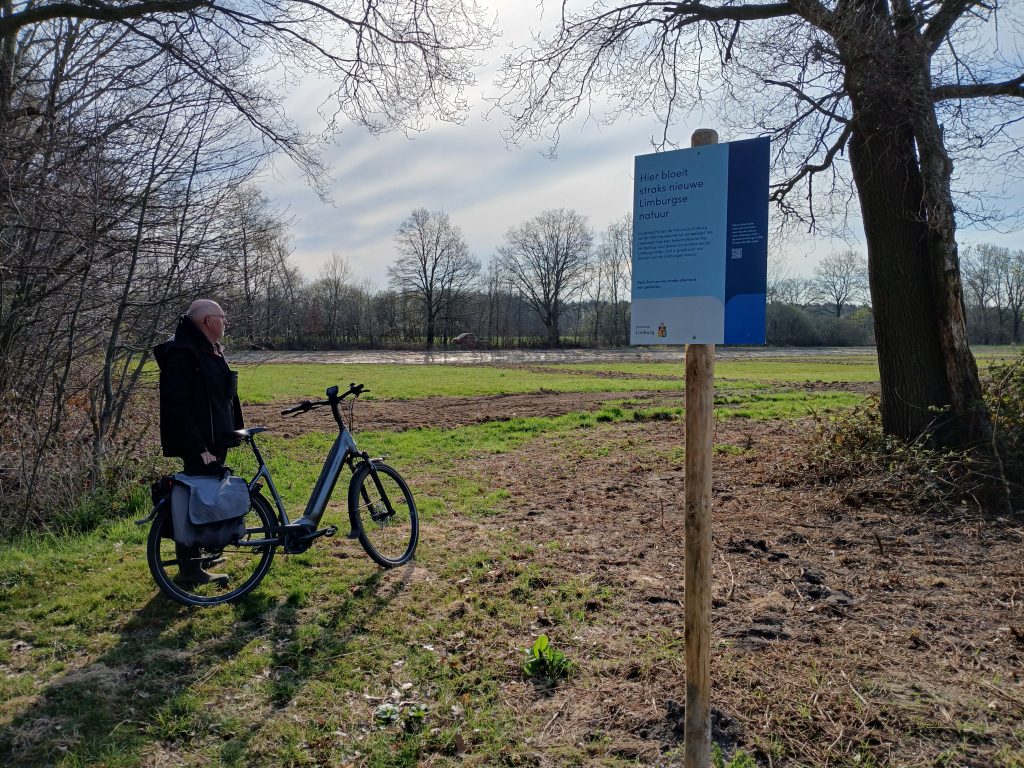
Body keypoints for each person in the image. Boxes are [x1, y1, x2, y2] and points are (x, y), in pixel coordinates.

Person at [153, 299, 244, 587]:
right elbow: (176, 407)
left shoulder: (206, 348)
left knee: (206, 499)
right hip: (200, 445)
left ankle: (199, 554)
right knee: (192, 501)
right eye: (222, 316)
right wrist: (199, 448)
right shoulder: (183, 354)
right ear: (207, 321)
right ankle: (190, 569)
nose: (225, 321)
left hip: (215, 440)